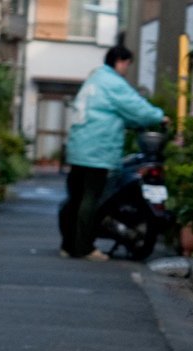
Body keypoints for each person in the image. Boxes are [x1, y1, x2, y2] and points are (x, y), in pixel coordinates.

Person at [59, 45, 168, 262]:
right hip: (97, 149)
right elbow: (135, 107)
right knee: (92, 198)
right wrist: (159, 117)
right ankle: (84, 248)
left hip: (79, 147)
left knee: (76, 198)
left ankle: (68, 246)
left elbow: (115, 112)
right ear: (120, 61)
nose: (126, 69)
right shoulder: (113, 82)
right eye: (127, 64)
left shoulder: (94, 79)